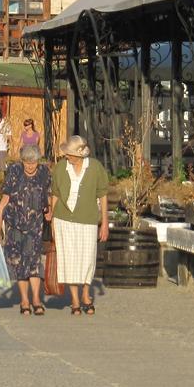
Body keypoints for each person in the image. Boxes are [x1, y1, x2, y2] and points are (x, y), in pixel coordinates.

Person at [49, 135, 109, 316]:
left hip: (88, 218)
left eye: (70, 154)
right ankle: (74, 298)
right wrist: (52, 221)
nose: (67, 157)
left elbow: (103, 196)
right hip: (63, 219)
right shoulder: (60, 168)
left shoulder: (95, 168)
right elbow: (55, 195)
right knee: (69, 258)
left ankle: (85, 293)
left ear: (80, 155)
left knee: (87, 257)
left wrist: (104, 222)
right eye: (67, 154)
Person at [0, 144, 52, 315]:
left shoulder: (44, 172)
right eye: (27, 163)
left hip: (35, 226)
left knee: (33, 262)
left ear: (38, 161)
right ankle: (24, 300)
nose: (30, 166)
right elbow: (4, 200)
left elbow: (48, 195)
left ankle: (36, 299)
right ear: (22, 161)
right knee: (19, 263)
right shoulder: (14, 171)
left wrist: (49, 212)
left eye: (33, 163)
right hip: (15, 225)